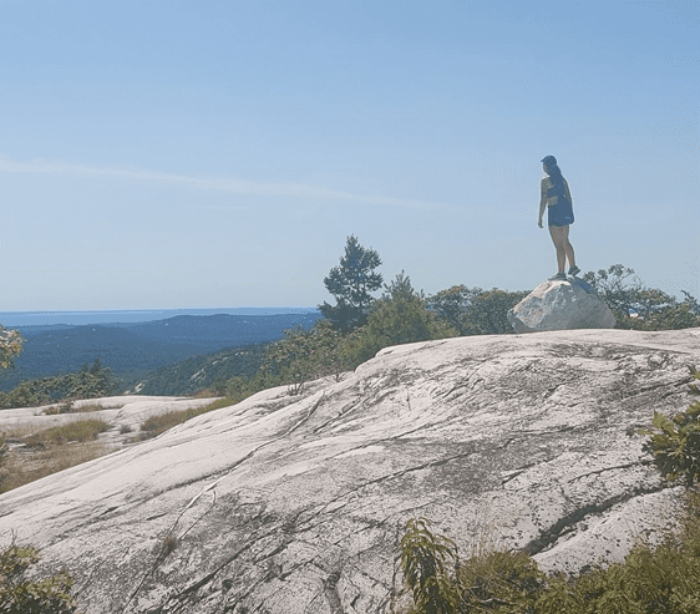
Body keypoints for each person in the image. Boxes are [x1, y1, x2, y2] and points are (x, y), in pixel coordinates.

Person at [537, 155, 580, 280]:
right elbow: (569, 197)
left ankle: (561, 272)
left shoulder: (545, 181)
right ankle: (573, 265)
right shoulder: (562, 179)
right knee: (565, 240)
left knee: (558, 245)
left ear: (547, 166)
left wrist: (540, 217)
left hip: (554, 211)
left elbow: (543, 200)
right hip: (564, 211)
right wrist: (570, 212)